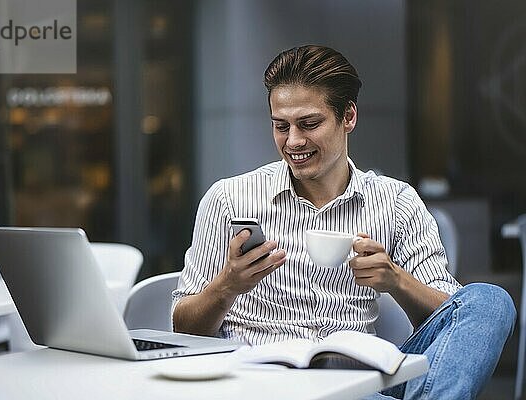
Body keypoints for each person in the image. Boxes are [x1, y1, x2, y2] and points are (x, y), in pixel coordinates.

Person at [172, 45, 516, 399]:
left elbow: (451, 320)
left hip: (362, 385)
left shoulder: (395, 201)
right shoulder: (229, 198)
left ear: (348, 116)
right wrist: (229, 285)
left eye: (309, 124)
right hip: (264, 385)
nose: (293, 141)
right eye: (281, 126)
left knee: (490, 301)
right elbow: (182, 327)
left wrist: (395, 280)